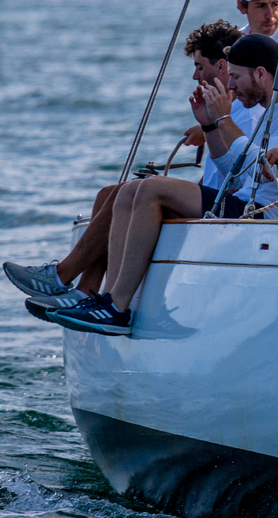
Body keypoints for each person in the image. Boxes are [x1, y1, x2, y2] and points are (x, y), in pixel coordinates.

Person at [45, 35, 278, 337]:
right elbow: (236, 174)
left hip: (266, 214)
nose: (230, 86)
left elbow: (265, 169)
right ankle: (108, 300)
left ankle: (118, 307)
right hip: (247, 203)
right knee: (128, 190)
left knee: (151, 189)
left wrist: (224, 118)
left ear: (260, 74)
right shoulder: (268, 112)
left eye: (236, 77)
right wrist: (209, 125)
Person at [3, 20, 257, 313]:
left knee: (137, 190)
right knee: (108, 194)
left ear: (222, 66)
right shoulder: (224, 107)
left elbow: (239, 175)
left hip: (224, 205)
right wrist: (208, 127)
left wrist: (213, 125)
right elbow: (222, 168)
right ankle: (83, 292)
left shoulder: (241, 112)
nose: (194, 75)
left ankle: (61, 276)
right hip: (210, 196)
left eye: (199, 66)